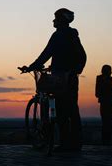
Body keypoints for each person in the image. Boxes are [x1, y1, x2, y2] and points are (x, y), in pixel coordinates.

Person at [21, 8, 87, 152]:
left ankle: (64, 144)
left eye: (55, 18)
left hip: (60, 78)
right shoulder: (72, 34)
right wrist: (75, 70)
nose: (53, 21)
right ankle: (76, 143)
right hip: (71, 77)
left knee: (61, 110)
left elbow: (46, 53)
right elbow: (82, 55)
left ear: (61, 20)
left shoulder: (58, 35)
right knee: (72, 110)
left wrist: (31, 67)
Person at [95, 65, 112, 145]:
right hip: (107, 103)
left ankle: (106, 141)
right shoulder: (102, 79)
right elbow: (98, 93)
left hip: (109, 104)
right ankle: (106, 141)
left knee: (108, 123)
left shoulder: (107, 79)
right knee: (107, 123)